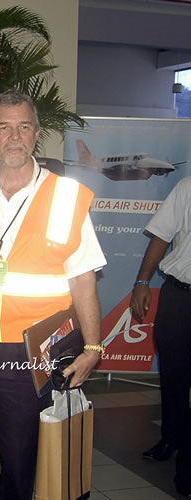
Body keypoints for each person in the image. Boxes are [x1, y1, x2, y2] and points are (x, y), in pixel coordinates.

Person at [0, 89, 106, 499]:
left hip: (32, 351)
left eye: (24, 126)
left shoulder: (67, 198)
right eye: (4, 127)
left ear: (37, 133)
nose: (15, 136)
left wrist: (93, 346)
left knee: (21, 452)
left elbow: (83, 279)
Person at [130, 177, 191, 496]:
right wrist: (142, 283)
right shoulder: (188, 187)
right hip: (181, 296)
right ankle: (171, 437)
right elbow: (161, 236)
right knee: (173, 373)